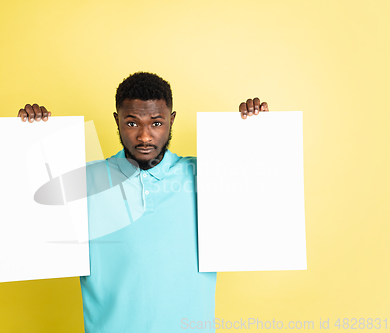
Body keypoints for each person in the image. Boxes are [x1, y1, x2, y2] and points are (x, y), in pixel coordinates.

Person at [18, 72, 269, 332]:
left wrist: (254, 129)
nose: (145, 136)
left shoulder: (204, 177)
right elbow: (25, 206)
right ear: (117, 121)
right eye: (132, 123)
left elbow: (261, 186)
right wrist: (27, 133)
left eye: (157, 123)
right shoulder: (86, 181)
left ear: (171, 120)